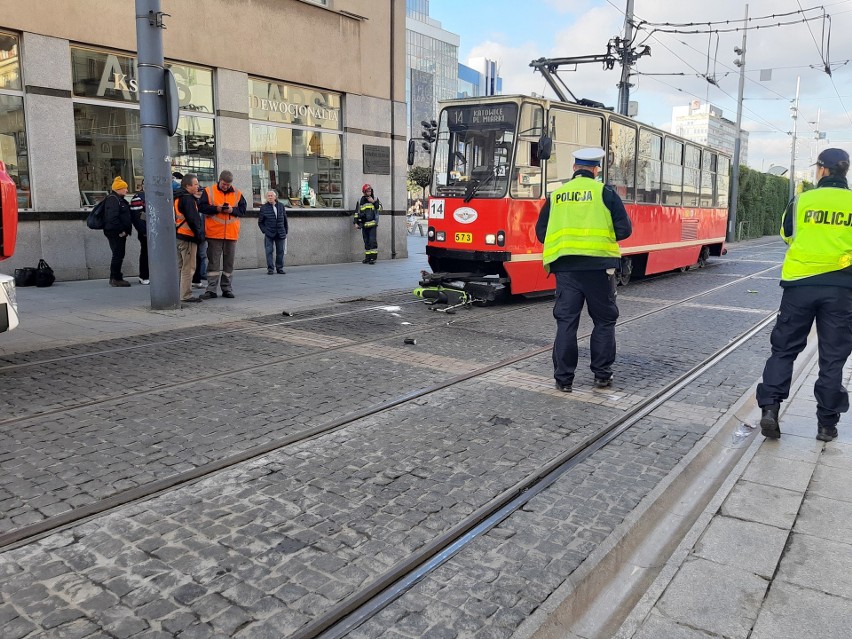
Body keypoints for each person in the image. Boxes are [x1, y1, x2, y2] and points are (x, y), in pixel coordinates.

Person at [757, 148, 852, 442]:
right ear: (845, 171)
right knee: (833, 358)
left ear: (822, 170)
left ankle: (770, 409)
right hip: (841, 288)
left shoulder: (802, 200)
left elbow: (787, 234)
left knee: (784, 349)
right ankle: (826, 425)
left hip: (799, 286)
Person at [535, 148, 632, 392]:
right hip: (600, 268)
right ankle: (602, 375)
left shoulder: (557, 195)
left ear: (575, 168)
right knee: (604, 321)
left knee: (566, 323)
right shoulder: (605, 192)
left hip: (566, 269)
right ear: (596, 169)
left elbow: (541, 233)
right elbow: (625, 230)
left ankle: (564, 380)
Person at [198, 170, 246, 299]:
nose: (226, 186)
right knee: (213, 263)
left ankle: (226, 288)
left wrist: (232, 210)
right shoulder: (209, 191)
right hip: (214, 233)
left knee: (228, 264)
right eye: (224, 184)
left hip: (231, 233)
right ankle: (211, 289)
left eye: (228, 184)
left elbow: (243, 210)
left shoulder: (237, 193)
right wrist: (217, 209)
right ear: (219, 180)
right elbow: (201, 207)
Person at [174, 173, 205, 304]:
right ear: (188, 186)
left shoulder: (178, 197)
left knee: (180, 266)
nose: (198, 186)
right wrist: (199, 235)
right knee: (189, 267)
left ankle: (178, 292)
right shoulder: (187, 199)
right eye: (196, 184)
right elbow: (193, 219)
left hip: (179, 235)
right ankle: (185, 294)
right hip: (188, 237)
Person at [103, 176, 134, 287]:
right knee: (118, 254)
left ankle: (114, 277)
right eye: (124, 188)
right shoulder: (113, 199)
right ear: (118, 189)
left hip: (116, 231)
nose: (126, 190)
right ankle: (116, 278)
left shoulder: (117, 199)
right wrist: (121, 230)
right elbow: (113, 218)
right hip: (115, 232)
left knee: (118, 254)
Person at [258, 190, 289, 274]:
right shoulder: (263, 208)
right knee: (269, 251)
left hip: (280, 232)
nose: (270, 197)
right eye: (268, 196)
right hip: (269, 233)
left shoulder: (281, 206)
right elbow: (260, 222)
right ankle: (270, 268)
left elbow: (285, 219)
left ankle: (280, 268)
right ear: (266, 198)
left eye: (272, 196)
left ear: (275, 197)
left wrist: (285, 230)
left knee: (280, 251)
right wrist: (264, 231)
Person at [354, 183, 381, 264]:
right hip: (364, 224)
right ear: (364, 192)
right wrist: (355, 222)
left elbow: (380, 208)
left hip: (372, 224)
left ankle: (373, 258)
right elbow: (357, 212)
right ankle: (368, 257)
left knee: (372, 241)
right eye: (367, 191)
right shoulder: (360, 200)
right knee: (366, 241)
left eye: (370, 190)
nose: (369, 192)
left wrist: (373, 202)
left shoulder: (375, 199)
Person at [129, 180, 149, 285]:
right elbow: (136, 217)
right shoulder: (138, 197)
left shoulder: (154, 196)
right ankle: (144, 276)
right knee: (146, 253)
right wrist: (144, 231)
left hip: (154, 232)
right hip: (145, 231)